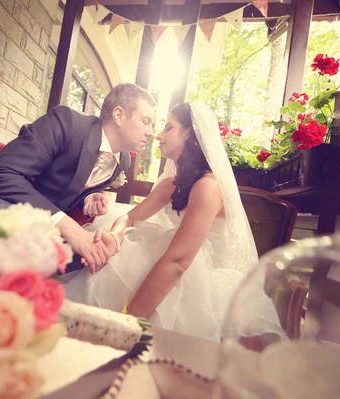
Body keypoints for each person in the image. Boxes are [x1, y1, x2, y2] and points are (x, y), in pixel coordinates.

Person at [62, 102, 284, 342]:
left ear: (188, 134)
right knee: (123, 252)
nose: (157, 135)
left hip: (202, 284)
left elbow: (178, 262)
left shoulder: (207, 187)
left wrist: (128, 322)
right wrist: (115, 240)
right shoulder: (172, 184)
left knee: (143, 261)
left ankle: (117, 333)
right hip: (175, 262)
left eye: (168, 128)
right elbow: (130, 216)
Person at [0, 83, 156, 273]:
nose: (151, 132)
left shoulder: (124, 162)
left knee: (102, 256)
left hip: (48, 227)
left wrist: (89, 197)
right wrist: (69, 228)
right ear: (119, 115)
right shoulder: (68, 123)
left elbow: (74, 181)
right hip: (1, 203)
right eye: (145, 121)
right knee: (3, 243)